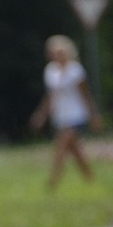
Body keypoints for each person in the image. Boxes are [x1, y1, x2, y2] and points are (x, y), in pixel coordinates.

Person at [30, 34, 97, 189]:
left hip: (76, 115)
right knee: (75, 151)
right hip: (60, 116)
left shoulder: (76, 71)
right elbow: (50, 96)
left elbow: (85, 95)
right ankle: (90, 178)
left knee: (61, 146)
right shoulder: (50, 71)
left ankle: (53, 181)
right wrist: (41, 115)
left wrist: (93, 116)